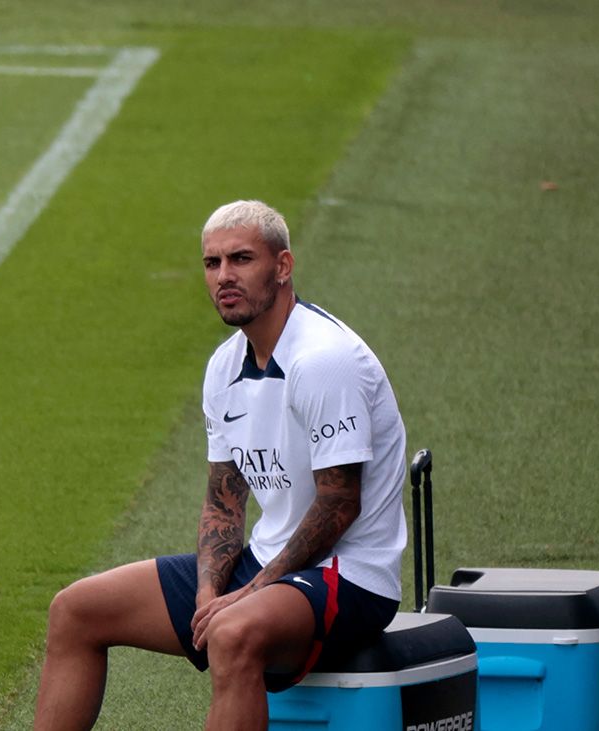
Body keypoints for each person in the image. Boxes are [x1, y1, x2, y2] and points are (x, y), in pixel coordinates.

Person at [33, 200, 407, 730]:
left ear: (282, 267)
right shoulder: (225, 364)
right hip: (268, 567)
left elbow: (340, 504)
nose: (224, 276)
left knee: (232, 635)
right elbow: (223, 501)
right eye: (213, 263)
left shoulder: (324, 361)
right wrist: (210, 590)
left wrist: (245, 597)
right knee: (75, 610)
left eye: (241, 259)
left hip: (348, 579)